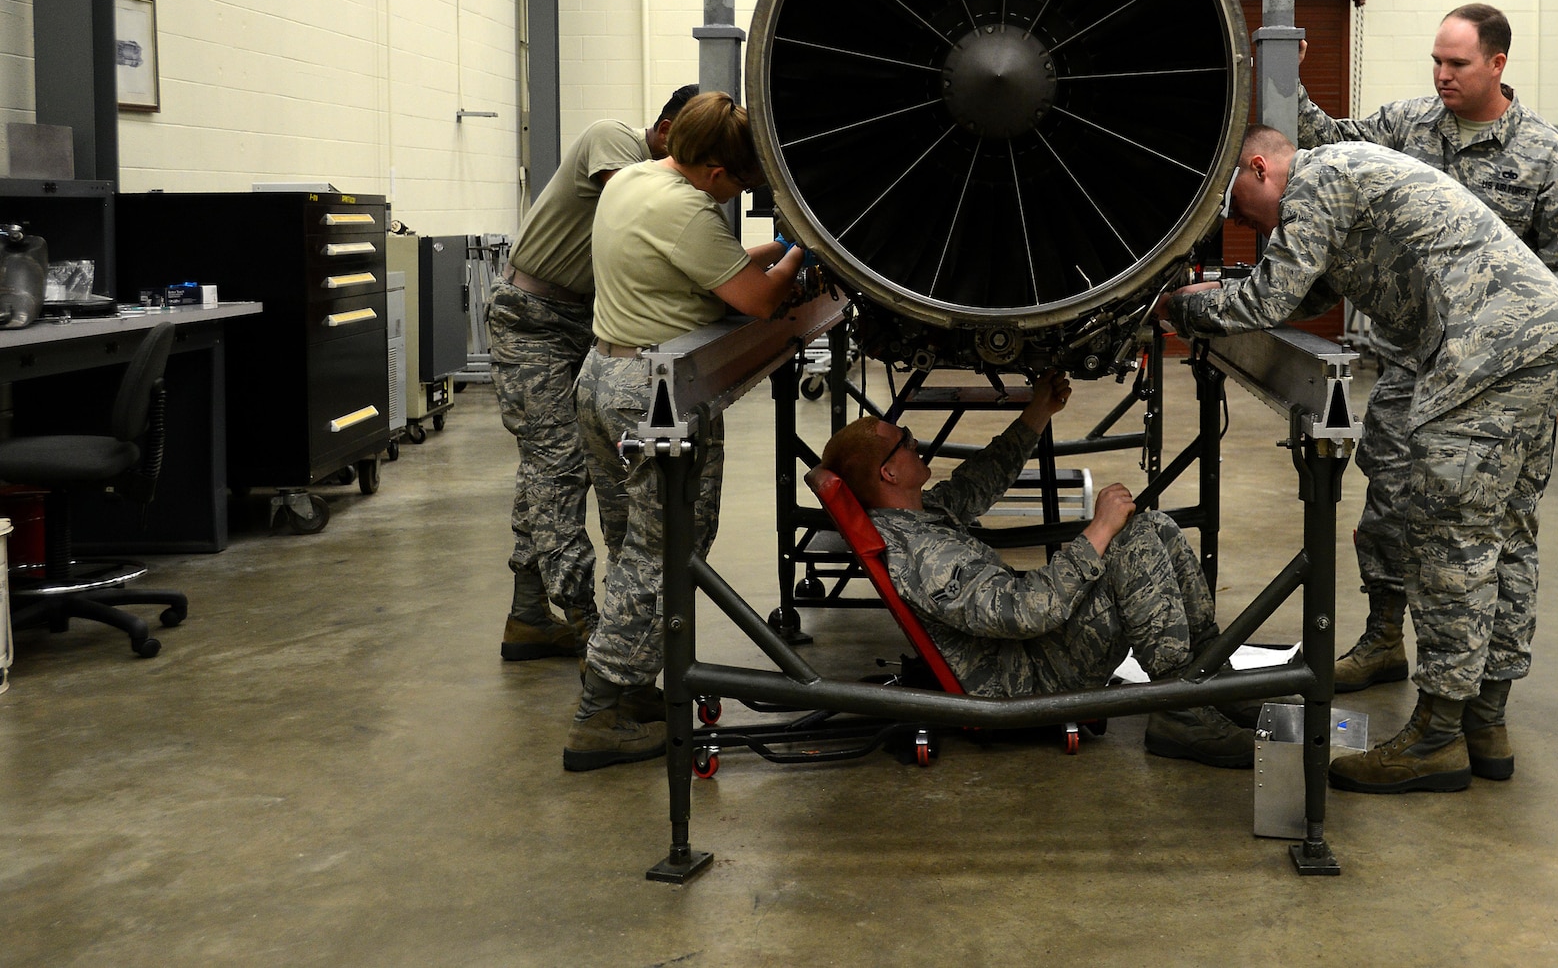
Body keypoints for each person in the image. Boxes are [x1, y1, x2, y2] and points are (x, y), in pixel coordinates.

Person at [1164, 129, 1558, 793]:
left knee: (1452, 536)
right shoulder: (1344, 177)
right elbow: (1310, 294)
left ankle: (1439, 738)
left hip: (1487, 352)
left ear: (1259, 167)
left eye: (1241, 207)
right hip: (1534, 339)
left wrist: (1185, 310)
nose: (1243, 224)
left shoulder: (1316, 179)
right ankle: (1485, 721)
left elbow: (1270, 300)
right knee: (1505, 535)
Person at [1293, 5, 1558, 715]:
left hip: (1500, 378)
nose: (1442, 76)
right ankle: (1382, 637)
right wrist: (1292, 77)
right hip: (1412, 361)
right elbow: (1330, 144)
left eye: (1457, 64)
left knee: (1497, 531)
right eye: (1436, 61)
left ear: (1497, 63)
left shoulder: (1542, 153)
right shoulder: (1408, 125)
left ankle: (1486, 703)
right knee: (1389, 503)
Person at [817, 378, 1256, 769]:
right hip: (1029, 683)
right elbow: (1025, 612)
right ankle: (1179, 709)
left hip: (1033, 655)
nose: (916, 442)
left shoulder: (919, 515)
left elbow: (979, 480)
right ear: (889, 472)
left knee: (1154, 526)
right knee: (1135, 541)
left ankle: (1207, 678)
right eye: (905, 441)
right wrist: (1098, 529)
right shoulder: (922, 556)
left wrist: (1037, 413)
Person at [564, 92, 806, 772]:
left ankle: (629, 683)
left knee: (631, 542)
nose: (734, 195)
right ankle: (601, 710)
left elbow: (704, 261)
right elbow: (759, 298)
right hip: (656, 393)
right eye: (736, 183)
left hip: (603, 377)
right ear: (713, 170)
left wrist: (775, 247)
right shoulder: (687, 206)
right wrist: (802, 255)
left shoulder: (639, 178)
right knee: (669, 545)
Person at [492, 85, 699, 664]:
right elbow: (634, 213)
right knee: (556, 468)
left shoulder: (658, 173)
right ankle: (587, 621)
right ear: (662, 130)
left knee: (548, 468)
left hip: (578, 319)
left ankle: (529, 613)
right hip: (532, 319)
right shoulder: (614, 141)